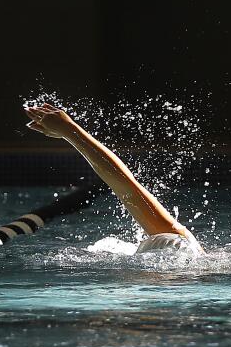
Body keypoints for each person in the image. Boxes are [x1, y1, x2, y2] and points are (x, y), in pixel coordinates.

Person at [22, 101, 200, 257]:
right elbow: (128, 189)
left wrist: (70, 130)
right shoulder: (186, 249)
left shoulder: (181, 247)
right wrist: (70, 131)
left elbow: (127, 187)